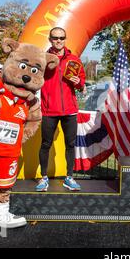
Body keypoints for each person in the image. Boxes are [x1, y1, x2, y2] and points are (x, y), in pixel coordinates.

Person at [35, 27, 86, 192]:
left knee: (70, 145)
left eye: (62, 38)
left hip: (69, 111)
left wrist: (78, 81)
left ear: (65, 39)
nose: (59, 40)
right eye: (55, 38)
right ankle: (43, 178)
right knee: (46, 144)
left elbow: (81, 84)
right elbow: (34, 80)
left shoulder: (74, 59)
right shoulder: (43, 59)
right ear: (50, 39)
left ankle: (69, 178)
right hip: (49, 110)